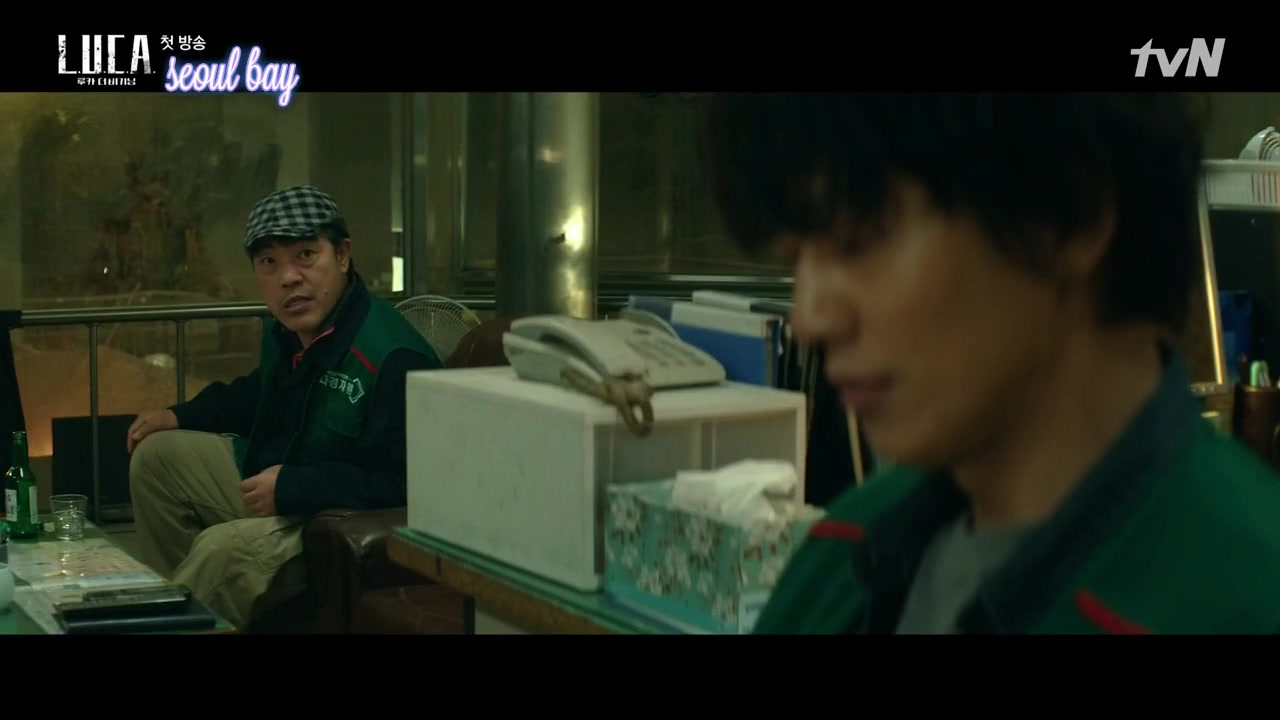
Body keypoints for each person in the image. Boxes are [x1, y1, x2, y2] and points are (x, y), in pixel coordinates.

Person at [700, 93, 1280, 634]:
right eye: (796, 258)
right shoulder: (844, 550)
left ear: (1069, 214)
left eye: (862, 239)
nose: (810, 318)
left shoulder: (1242, 597)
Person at [126, 185, 442, 630]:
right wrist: (178, 415)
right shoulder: (290, 331)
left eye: (306, 255)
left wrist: (294, 486)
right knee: (156, 457)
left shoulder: (393, 358)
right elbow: (259, 391)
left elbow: (408, 485)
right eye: (269, 262)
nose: (288, 278)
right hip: (278, 478)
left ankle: (186, 611)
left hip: (329, 517)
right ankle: (194, 604)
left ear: (343, 255)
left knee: (221, 551)